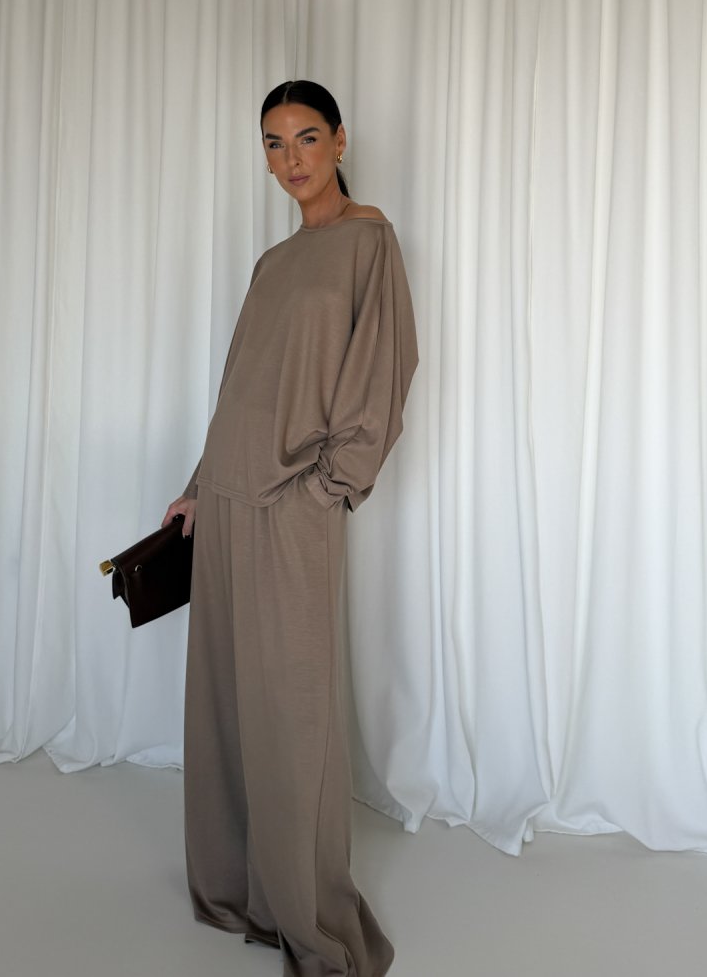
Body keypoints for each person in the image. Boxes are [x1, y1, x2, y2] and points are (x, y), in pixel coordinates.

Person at [159, 79, 418, 977]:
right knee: (230, 707)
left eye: (306, 137)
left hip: (292, 506)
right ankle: (245, 891)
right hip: (228, 502)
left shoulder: (369, 242)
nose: (291, 158)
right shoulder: (273, 262)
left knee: (294, 716)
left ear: (340, 141)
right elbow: (241, 387)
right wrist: (198, 488)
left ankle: (308, 912)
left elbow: (383, 379)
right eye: (274, 143)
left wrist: (326, 490)